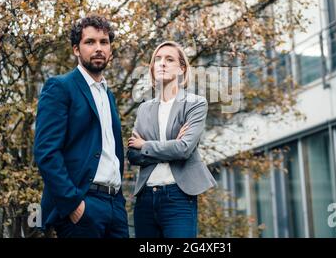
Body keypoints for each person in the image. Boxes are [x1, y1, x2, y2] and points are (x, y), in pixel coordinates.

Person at [33, 14, 129, 238]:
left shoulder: (109, 95)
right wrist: (73, 204)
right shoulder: (60, 87)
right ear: (76, 49)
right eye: (90, 42)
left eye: (104, 42)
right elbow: (46, 152)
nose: (98, 48)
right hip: (83, 205)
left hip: (115, 206)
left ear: (111, 50)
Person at [127, 41, 217, 238]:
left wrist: (146, 145)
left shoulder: (195, 104)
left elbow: (184, 149)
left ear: (181, 68)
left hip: (178, 197)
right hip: (145, 198)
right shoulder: (144, 108)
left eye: (169, 59)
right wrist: (170, 146)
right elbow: (133, 154)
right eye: (157, 59)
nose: (162, 63)